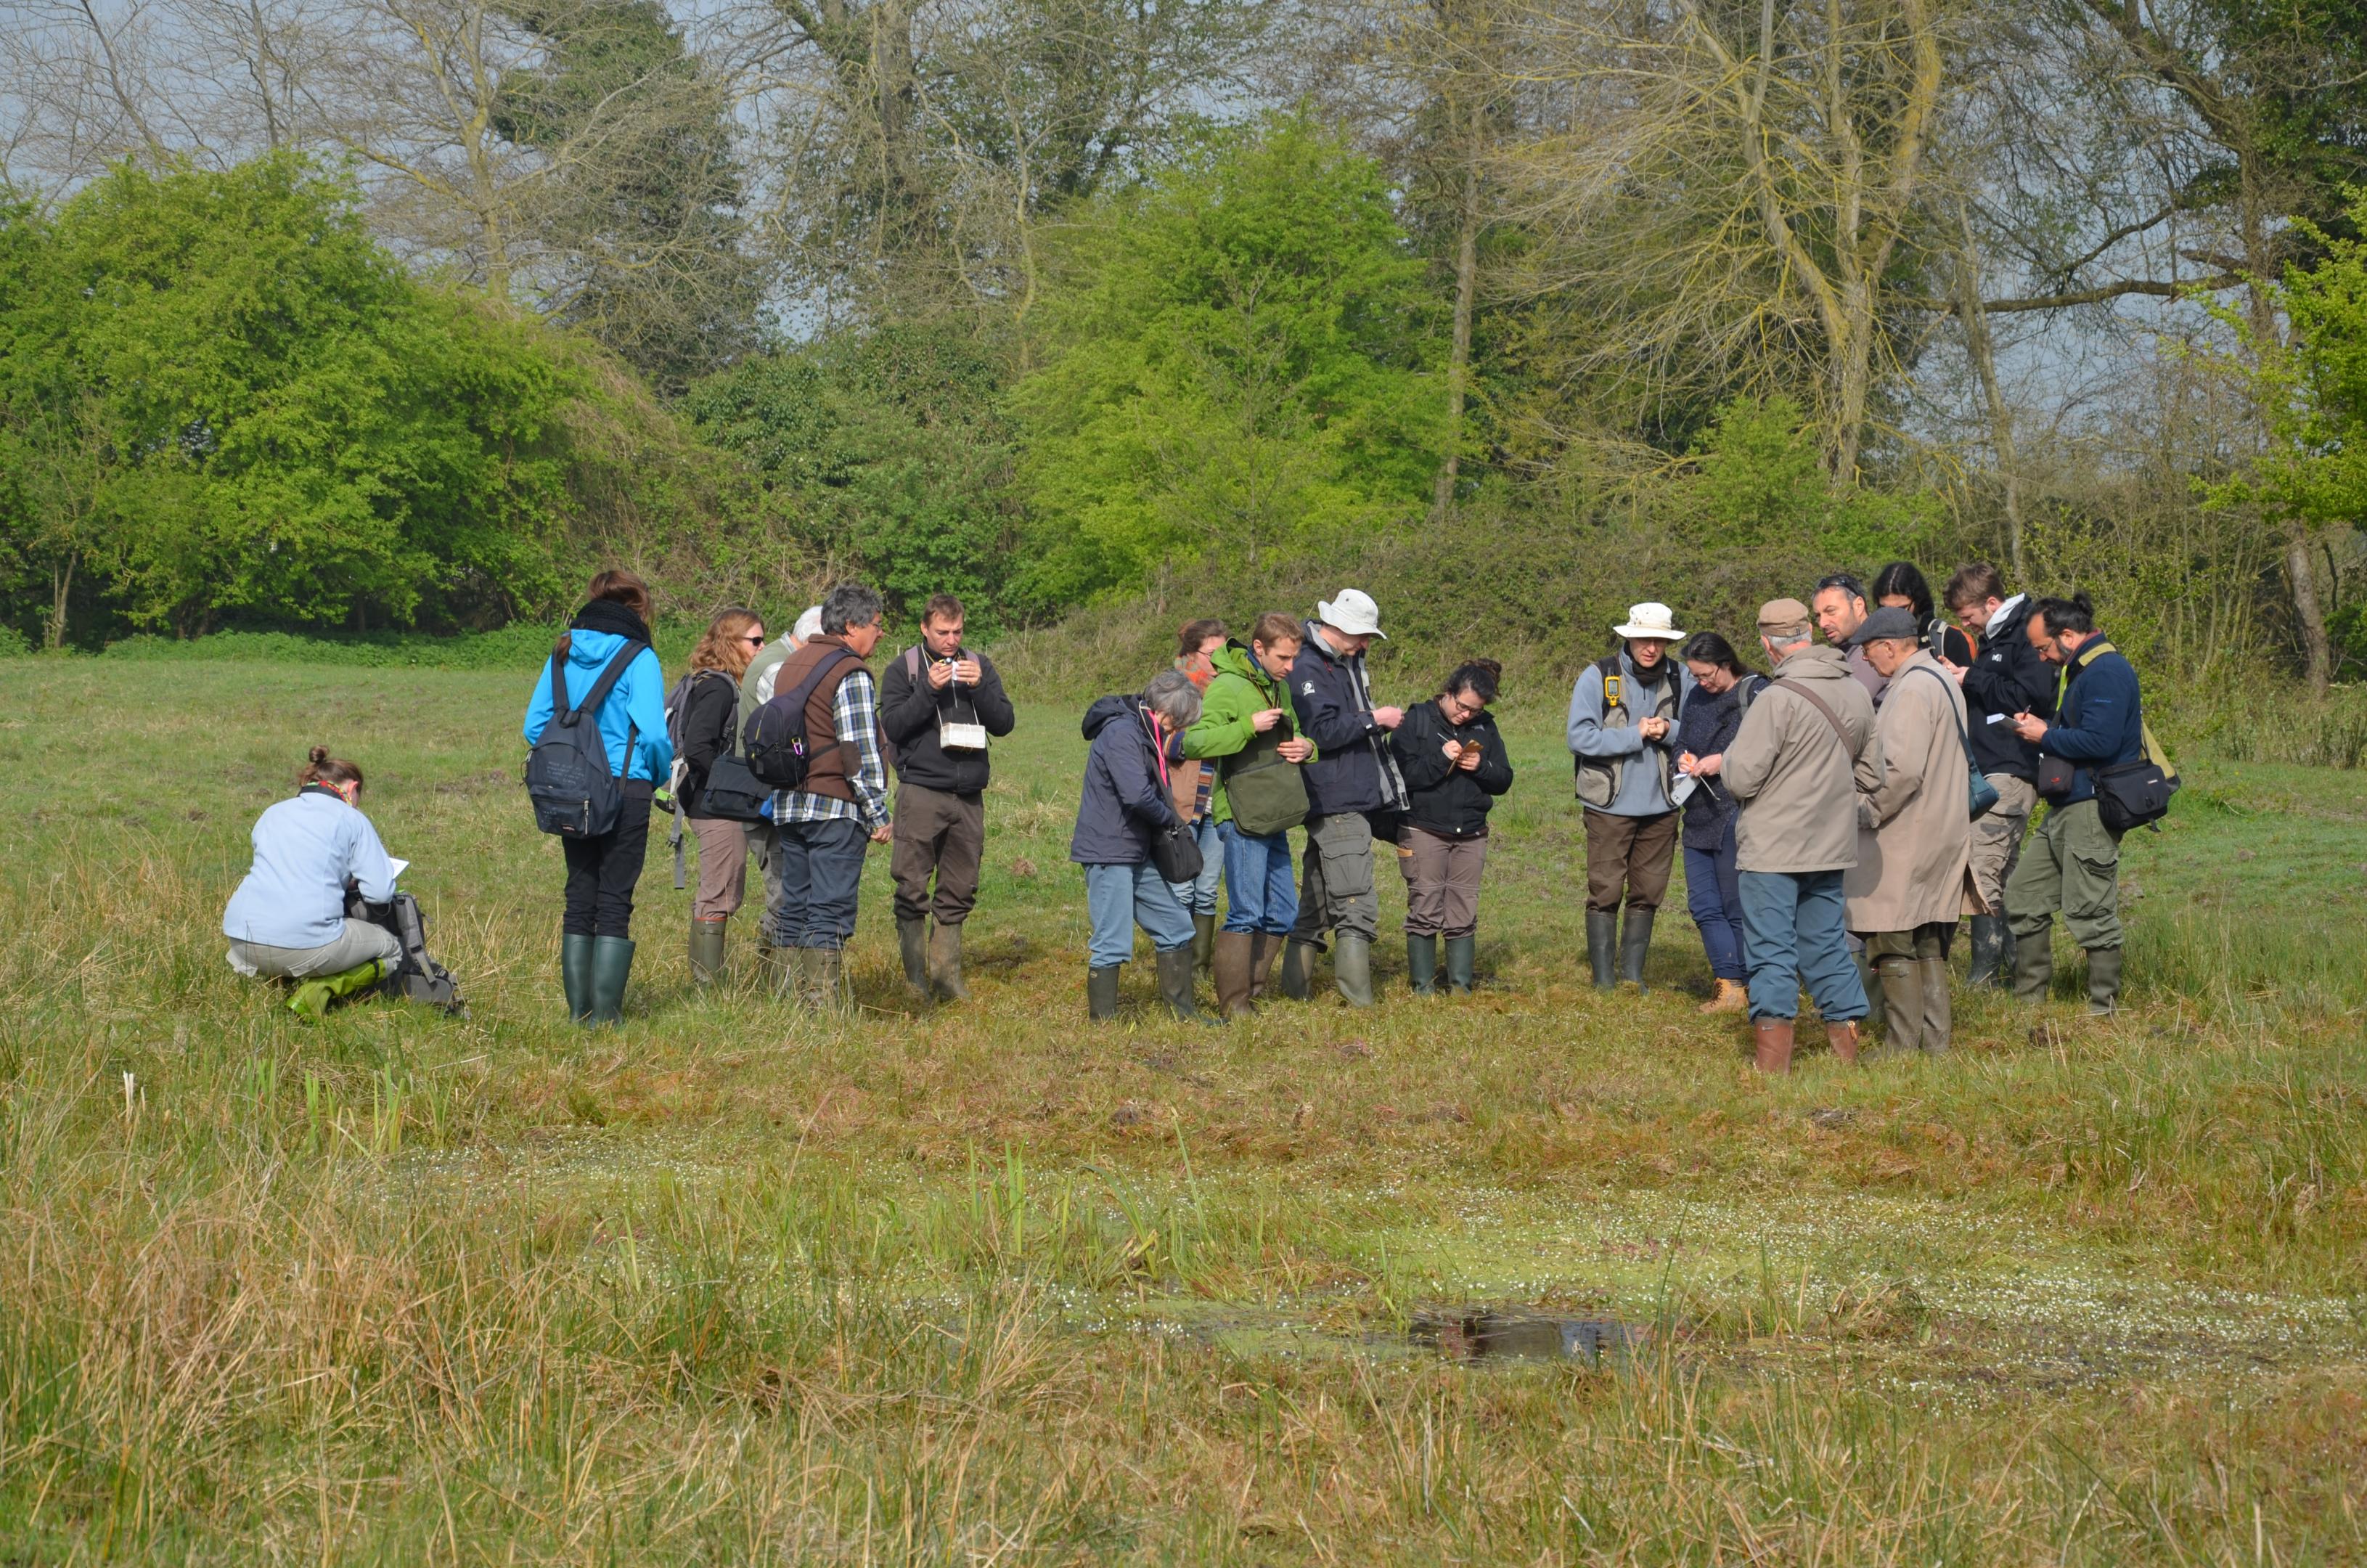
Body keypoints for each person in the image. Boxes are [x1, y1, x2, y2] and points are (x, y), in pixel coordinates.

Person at [1720, 598, 1886, 1074]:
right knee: (1828, 943)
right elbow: (1872, 776)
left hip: (1772, 850)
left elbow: (1740, 779)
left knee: (1771, 951)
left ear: (1767, 646)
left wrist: (1729, 756)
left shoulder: (1775, 699)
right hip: (1829, 846)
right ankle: (1846, 1058)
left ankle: (1772, 1070)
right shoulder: (1855, 693)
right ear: (1808, 634)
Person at [523, 569, 671, 1025]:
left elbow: (534, 726)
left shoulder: (564, 649)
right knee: (615, 897)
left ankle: (577, 1012)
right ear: (639, 607)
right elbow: (652, 733)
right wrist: (659, 775)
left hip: (571, 789)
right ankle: (606, 1017)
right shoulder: (640, 657)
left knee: (579, 893)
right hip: (627, 788)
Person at [1844, 608, 1976, 1055]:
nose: (1868, 661)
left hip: (1906, 836)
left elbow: (1897, 773)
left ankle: (1901, 1048)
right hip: (1938, 829)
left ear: (1889, 646)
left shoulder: (1912, 690)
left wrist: (1864, 811)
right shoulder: (1938, 679)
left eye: (1868, 651)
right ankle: (1934, 1045)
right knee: (1927, 942)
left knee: (1892, 938)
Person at [2004, 593, 2142, 1014]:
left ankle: (2103, 1010)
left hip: (2092, 807)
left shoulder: (2106, 672)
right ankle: (2030, 1003)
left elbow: (2100, 742)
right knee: (2023, 895)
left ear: (2068, 635)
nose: (2043, 657)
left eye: (2044, 647)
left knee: (2091, 912)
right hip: (2066, 806)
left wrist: (2044, 735)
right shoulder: (2083, 669)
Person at [879, 593, 1018, 1004]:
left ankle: (946, 976)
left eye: (957, 631)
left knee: (960, 886)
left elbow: (1005, 723)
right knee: (911, 885)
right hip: (921, 791)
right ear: (925, 629)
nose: (951, 640)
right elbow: (893, 726)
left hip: (969, 795)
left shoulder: (980, 665)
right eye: (942, 632)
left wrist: (977, 689)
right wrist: (927, 690)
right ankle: (914, 981)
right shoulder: (902, 669)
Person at [765, 584, 893, 1012]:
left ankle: (785, 1003)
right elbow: (856, 751)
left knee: (793, 905)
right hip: (832, 807)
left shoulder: (792, 663)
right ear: (852, 625)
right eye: (876, 626)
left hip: (788, 803)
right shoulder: (849, 671)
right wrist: (877, 813)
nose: (879, 635)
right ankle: (822, 1010)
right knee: (829, 909)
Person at [1181, 613, 1314, 1017]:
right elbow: (1194, 741)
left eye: (1294, 658)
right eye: (1284, 657)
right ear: (1259, 648)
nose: (1290, 667)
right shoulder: (1227, 686)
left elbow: (1299, 735)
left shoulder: (1278, 687)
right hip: (1238, 815)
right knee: (1246, 911)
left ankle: (1252, 993)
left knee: (1285, 912)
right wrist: (1246, 726)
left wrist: (1307, 748)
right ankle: (1234, 1003)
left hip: (1273, 810)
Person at [1283, 589, 1408, 1008]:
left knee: (1316, 904)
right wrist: (1377, 719)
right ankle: (1360, 1004)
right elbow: (1324, 732)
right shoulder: (1309, 666)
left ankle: (1294, 993)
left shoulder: (1339, 662)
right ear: (1341, 628)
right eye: (1364, 636)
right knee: (1355, 900)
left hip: (1342, 795)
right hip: (1336, 799)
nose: (1367, 644)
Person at [1071, 670, 1214, 1024]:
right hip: (1109, 850)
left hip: (1134, 849)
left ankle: (1183, 1014)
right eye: (1178, 724)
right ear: (1168, 714)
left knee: (1177, 924)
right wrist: (1171, 820)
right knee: (1112, 939)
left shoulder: (1142, 730)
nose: (1176, 733)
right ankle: (1103, 1024)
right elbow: (1137, 795)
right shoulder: (1122, 732)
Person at [222, 747, 404, 1020]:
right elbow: (379, 894)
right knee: (391, 949)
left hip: (241, 941)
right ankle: (319, 990)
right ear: (353, 788)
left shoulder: (273, 812)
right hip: (300, 944)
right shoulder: (352, 819)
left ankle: (281, 981)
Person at [1939, 562, 2056, 987]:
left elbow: (2034, 696)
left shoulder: (2027, 634)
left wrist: (1972, 676)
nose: (1962, 623)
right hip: (1991, 771)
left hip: (2010, 769)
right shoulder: (1994, 638)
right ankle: (2020, 974)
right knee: (2003, 876)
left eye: (1967, 614)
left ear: (1991, 602)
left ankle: (1982, 979)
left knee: (1982, 870)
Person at [1568, 601, 1693, 992]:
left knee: (1649, 890)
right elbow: (1579, 738)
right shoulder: (1597, 676)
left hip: (1664, 805)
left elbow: (1698, 730)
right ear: (1629, 638)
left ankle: (1633, 975)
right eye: (1643, 639)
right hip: (1609, 807)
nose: (1651, 647)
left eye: (1658, 640)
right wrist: (1636, 734)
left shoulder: (1682, 676)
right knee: (1604, 890)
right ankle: (1604, 978)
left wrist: (1669, 730)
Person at [1389, 661, 1514, 995]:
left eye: (1475, 710)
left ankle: (1461, 987)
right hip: (1423, 829)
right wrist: (1440, 759)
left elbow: (1504, 779)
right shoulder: (1416, 721)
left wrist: (1481, 767)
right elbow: (1401, 776)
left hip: (1472, 832)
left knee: (1463, 909)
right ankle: (1423, 988)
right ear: (1448, 693)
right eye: (1462, 707)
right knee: (1425, 904)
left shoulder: (1486, 727)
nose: (1467, 716)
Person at [1673, 632, 1767, 1014]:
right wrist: (1683, 757)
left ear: (1726, 663)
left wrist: (1721, 761)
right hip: (1697, 813)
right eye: (1695, 676)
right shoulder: (1696, 696)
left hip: (1737, 813)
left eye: (1706, 674)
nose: (1702, 683)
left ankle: (1751, 982)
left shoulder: (1757, 693)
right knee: (1703, 904)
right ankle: (1728, 985)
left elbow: (1768, 749)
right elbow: (1682, 740)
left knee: (1735, 904)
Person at [676, 607, 766, 984]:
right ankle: (706, 986)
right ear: (732, 643)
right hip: (712, 805)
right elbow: (698, 748)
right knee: (720, 890)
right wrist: (729, 784)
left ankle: (707, 981)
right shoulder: (717, 686)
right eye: (755, 641)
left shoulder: (721, 682)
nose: (762, 647)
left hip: (713, 802)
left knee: (724, 887)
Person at [743, 603, 825, 961]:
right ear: (812, 640)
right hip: (765, 798)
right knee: (786, 893)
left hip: (771, 793)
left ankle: (775, 974)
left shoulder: (782, 659)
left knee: (789, 890)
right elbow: (791, 728)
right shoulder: (778, 667)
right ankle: (777, 979)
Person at [1168, 618, 1230, 979]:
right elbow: (1163, 744)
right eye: (1213, 654)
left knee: (1206, 891)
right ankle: (1175, 967)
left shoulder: (1229, 688)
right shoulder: (1173, 687)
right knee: (1182, 891)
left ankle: (1198, 969)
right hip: (1182, 802)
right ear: (1192, 653)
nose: (1219, 661)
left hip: (1217, 802)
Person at [1812, 573, 1886, 706]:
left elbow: (1841, 712)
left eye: (1831, 611)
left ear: (1858, 605)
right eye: (1818, 616)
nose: (1823, 623)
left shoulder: (1874, 650)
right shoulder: (1853, 649)